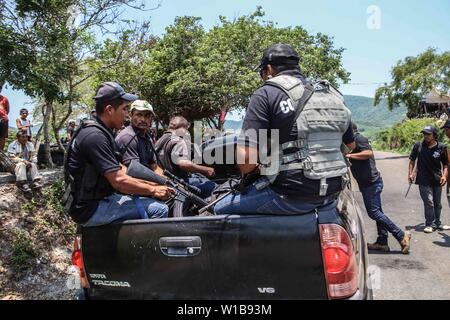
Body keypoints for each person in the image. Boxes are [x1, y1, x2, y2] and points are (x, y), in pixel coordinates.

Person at [214, 44, 356, 215]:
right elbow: (351, 145)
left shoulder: (266, 93)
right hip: (333, 192)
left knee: (218, 208)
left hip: (290, 195)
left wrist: (261, 166)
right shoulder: (331, 96)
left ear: (268, 69)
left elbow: (246, 161)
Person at [65, 82, 174, 227]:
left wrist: (157, 183)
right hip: (90, 208)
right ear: (109, 109)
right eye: (124, 109)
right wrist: (153, 190)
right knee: (160, 209)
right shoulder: (94, 136)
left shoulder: (102, 131)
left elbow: (120, 169)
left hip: (101, 198)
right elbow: (119, 181)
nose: (126, 114)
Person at [347, 123, 410, 253]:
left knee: (374, 212)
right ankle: (382, 242)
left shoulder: (359, 139)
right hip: (368, 183)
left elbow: (368, 153)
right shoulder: (353, 142)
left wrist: (349, 156)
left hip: (371, 183)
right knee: (378, 213)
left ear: (351, 131)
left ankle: (400, 235)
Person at [156, 116, 217, 199]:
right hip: (178, 187)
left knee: (197, 178)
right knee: (214, 187)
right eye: (186, 129)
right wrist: (206, 170)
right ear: (182, 128)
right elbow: (184, 164)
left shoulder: (159, 141)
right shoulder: (178, 141)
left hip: (164, 184)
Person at [409, 125, 450, 233]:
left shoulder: (442, 147)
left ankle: (438, 223)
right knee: (429, 202)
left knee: (437, 203)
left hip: (437, 179)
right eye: (424, 134)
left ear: (434, 135)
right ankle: (429, 224)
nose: (425, 136)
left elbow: (446, 164)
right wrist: (410, 174)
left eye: (428, 134)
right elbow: (412, 160)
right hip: (423, 179)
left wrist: (444, 176)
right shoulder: (418, 145)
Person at [115, 100, 161, 173]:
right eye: (139, 115)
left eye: (147, 116)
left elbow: (154, 166)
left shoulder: (147, 137)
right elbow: (135, 172)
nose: (143, 120)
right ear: (131, 115)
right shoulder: (128, 137)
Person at [0, 82, 10, 151]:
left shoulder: (4, 99)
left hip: (3, 119)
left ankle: (1, 153)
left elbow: (7, 110)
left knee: (2, 137)